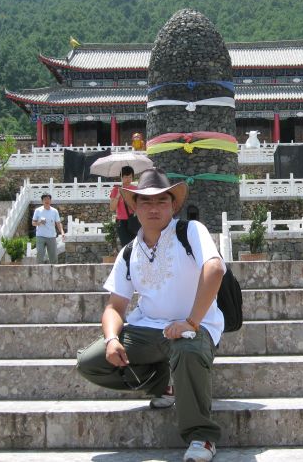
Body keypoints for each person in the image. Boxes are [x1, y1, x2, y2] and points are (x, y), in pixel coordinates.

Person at [77, 168, 225, 462]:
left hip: (195, 327)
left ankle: (201, 436)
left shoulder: (190, 232)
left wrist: (191, 322)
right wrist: (111, 339)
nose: (154, 208)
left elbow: (215, 268)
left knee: (187, 348)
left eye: (161, 201)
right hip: (146, 330)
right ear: (134, 207)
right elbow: (115, 306)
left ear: (174, 206)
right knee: (90, 362)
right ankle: (163, 385)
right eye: (145, 201)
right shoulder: (129, 251)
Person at [109, 165, 138, 246]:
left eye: (130, 177)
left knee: (136, 245)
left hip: (134, 220)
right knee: (126, 246)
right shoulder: (116, 190)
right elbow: (112, 208)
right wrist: (118, 195)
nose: (128, 179)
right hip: (121, 222)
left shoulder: (136, 189)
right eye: (125, 177)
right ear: (121, 177)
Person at [31, 193, 64, 263]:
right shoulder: (38, 210)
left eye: (48, 199)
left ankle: (54, 269)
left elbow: (58, 223)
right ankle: (39, 269)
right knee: (40, 254)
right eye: (45, 199)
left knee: (53, 257)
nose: (47, 201)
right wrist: (39, 223)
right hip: (40, 235)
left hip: (51, 236)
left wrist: (62, 232)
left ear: (50, 201)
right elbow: (33, 223)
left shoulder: (54, 211)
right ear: (42, 201)